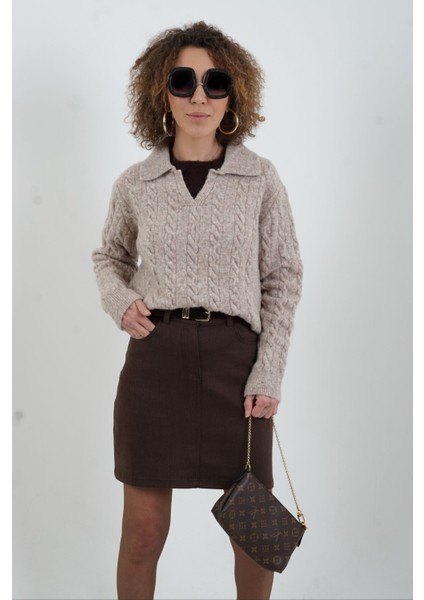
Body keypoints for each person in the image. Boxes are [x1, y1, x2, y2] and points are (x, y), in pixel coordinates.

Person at [92, 20, 303, 600]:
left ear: (234, 95)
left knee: (254, 534)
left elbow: (283, 278)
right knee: (142, 533)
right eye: (183, 81)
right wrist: (120, 300)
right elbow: (109, 257)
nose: (199, 96)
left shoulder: (260, 178)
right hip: (155, 367)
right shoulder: (137, 182)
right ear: (162, 92)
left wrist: (269, 372)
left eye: (216, 82)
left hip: (238, 369)